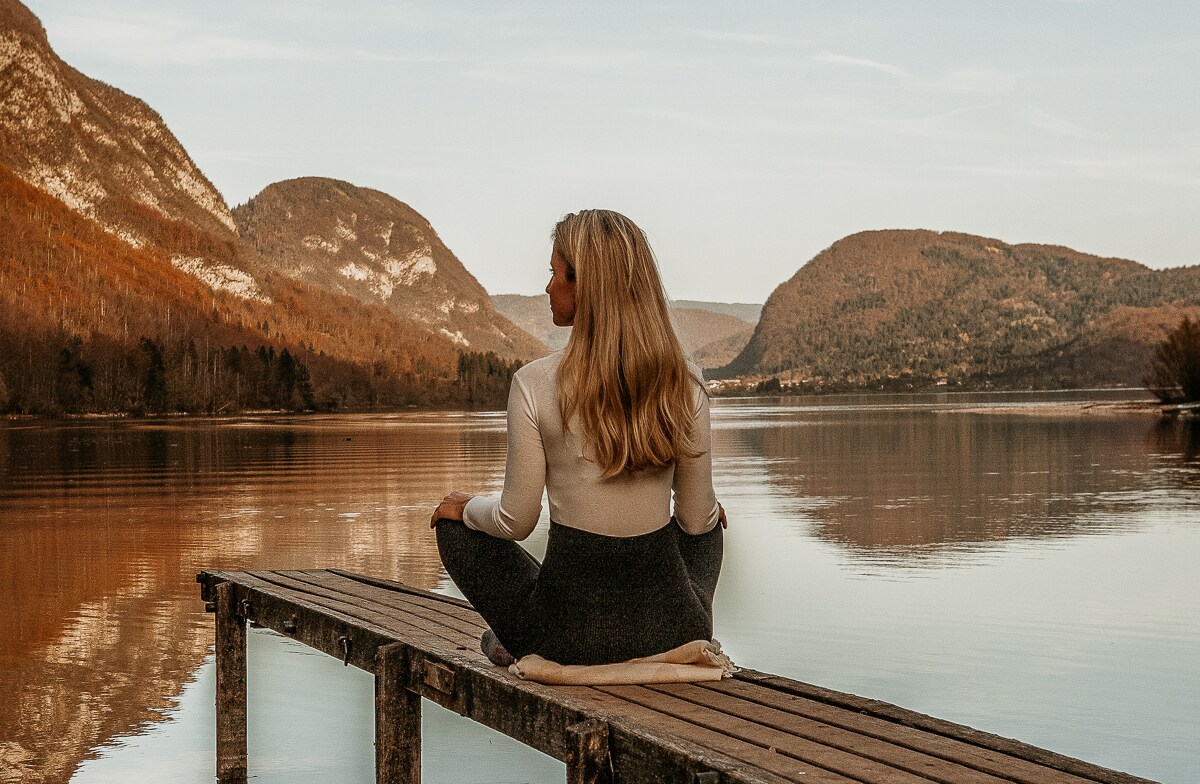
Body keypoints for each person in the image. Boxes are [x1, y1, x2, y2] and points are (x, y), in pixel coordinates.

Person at [430, 209, 727, 667]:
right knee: (709, 524)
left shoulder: (533, 383)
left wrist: (466, 507)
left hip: (566, 640)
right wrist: (708, 512)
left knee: (455, 529)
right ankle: (678, 634)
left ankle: (511, 638)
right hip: (676, 626)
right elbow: (694, 520)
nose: (548, 286)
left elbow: (514, 521)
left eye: (554, 273)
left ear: (585, 283)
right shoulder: (685, 384)